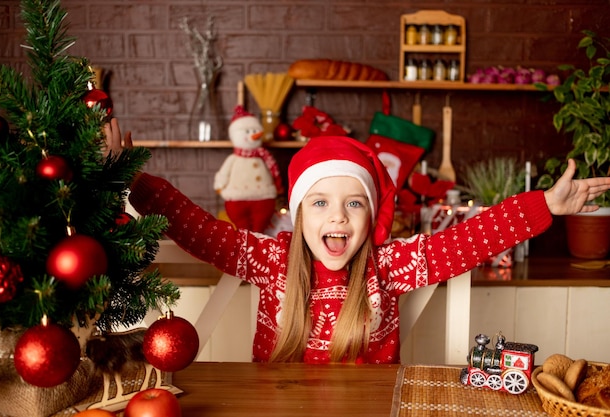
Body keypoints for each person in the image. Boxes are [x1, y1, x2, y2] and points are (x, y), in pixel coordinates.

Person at [104, 118, 610, 364]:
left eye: (355, 202)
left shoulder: (389, 266)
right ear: (299, 214)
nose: (338, 217)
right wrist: (131, 180)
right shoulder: (270, 259)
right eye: (320, 203)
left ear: (372, 215)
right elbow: (197, 228)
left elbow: (469, 240)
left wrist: (545, 205)